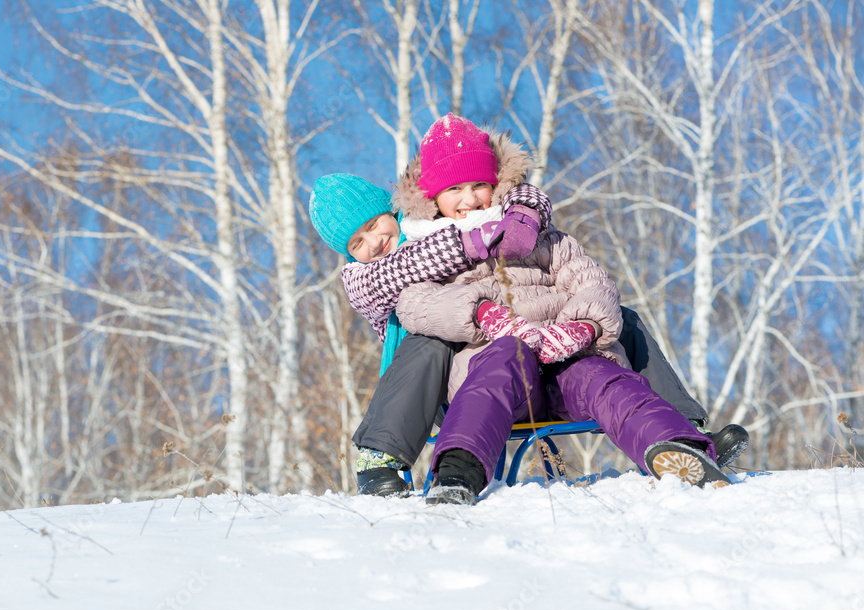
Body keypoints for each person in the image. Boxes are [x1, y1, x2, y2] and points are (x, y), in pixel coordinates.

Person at [309, 118, 746, 499]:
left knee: (600, 370)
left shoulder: (535, 233)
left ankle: (679, 445)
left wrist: (583, 328)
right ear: (430, 199)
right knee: (501, 358)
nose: (468, 199)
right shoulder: (420, 250)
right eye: (453, 190)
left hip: (564, 361)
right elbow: (416, 304)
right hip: (492, 368)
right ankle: (458, 469)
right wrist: (483, 314)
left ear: (497, 183)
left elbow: (589, 278)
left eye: (479, 184)